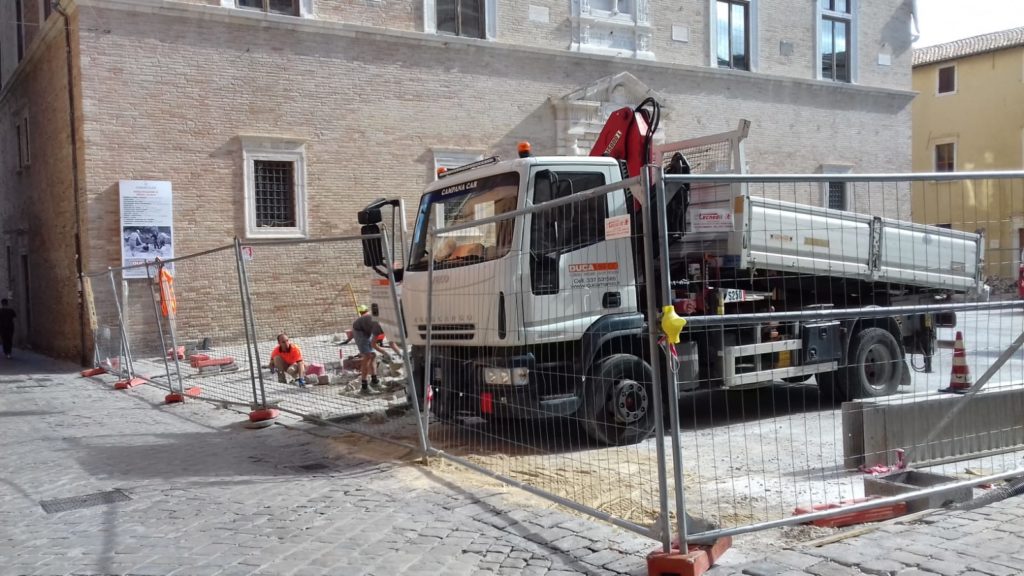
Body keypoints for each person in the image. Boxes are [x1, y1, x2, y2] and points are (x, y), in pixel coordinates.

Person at [352, 305, 384, 394]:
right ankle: (364, 387)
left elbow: (392, 342)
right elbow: (374, 344)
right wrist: (385, 353)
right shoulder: (378, 324)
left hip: (366, 329)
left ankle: (374, 382)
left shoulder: (389, 325)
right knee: (367, 356)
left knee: (373, 355)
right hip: (359, 330)